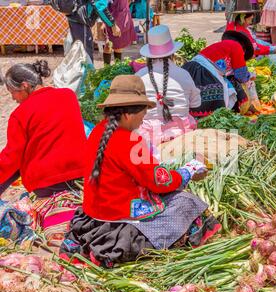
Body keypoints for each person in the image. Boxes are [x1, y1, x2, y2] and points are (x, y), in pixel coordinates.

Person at [60, 75, 220, 267]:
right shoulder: (129, 141)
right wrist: (189, 171)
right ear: (128, 115)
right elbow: (160, 182)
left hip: (95, 216)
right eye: (143, 114)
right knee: (188, 203)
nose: (144, 118)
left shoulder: (98, 132)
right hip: (118, 220)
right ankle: (114, 250)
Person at [0, 60, 87, 244]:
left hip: (47, 184)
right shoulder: (68, 96)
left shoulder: (20, 114)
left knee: (15, 162)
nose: (13, 98)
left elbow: (11, 157)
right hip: (80, 176)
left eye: (13, 92)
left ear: (25, 86)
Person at [136, 25, 201, 146]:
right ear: (172, 53)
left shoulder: (139, 76)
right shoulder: (184, 75)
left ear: (149, 56)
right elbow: (196, 103)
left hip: (147, 138)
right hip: (181, 134)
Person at [182, 31, 254, 117]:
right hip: (204, 71)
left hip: (191, 68)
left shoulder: (222, 46)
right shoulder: (236, 46)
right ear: (244, 49)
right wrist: (250, 77)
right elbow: (241, 75)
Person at [50, 0, 122, 63]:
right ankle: (86, 76)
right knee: (85, 54)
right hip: (81, 19)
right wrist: (113, 25)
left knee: (78, 51)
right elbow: (99, 6)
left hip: (74, 16)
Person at [101, 0, 137, 64]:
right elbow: (103, 6)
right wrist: (105, 21)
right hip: (111, 17)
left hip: (122, 18)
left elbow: (129, 2)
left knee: (119, 45)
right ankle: (106, 68)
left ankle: (117, 67)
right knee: (108, 44)